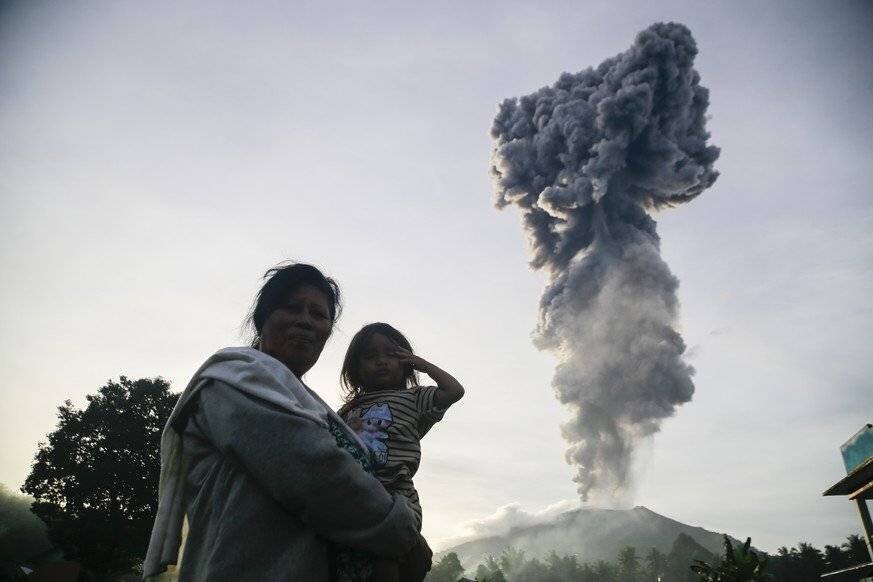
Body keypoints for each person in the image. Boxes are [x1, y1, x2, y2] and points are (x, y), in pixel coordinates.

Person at [143, 263, 428, 581]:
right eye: (291, 307)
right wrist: (403, 534)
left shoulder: (313, 406)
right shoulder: (232, 382)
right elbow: (316, 474)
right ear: (262, 318)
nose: (305, 320)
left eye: (318, 315)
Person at [338, 323, 465, 582]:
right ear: (356, 369)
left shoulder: (414, 398)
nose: (382, 362)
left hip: (398, 496)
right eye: (371, 356)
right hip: (356, 495)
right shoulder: (348, 410)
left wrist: (422, 364)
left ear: (405, 362)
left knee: (388, 558)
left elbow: (454, 391)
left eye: (391, 355)